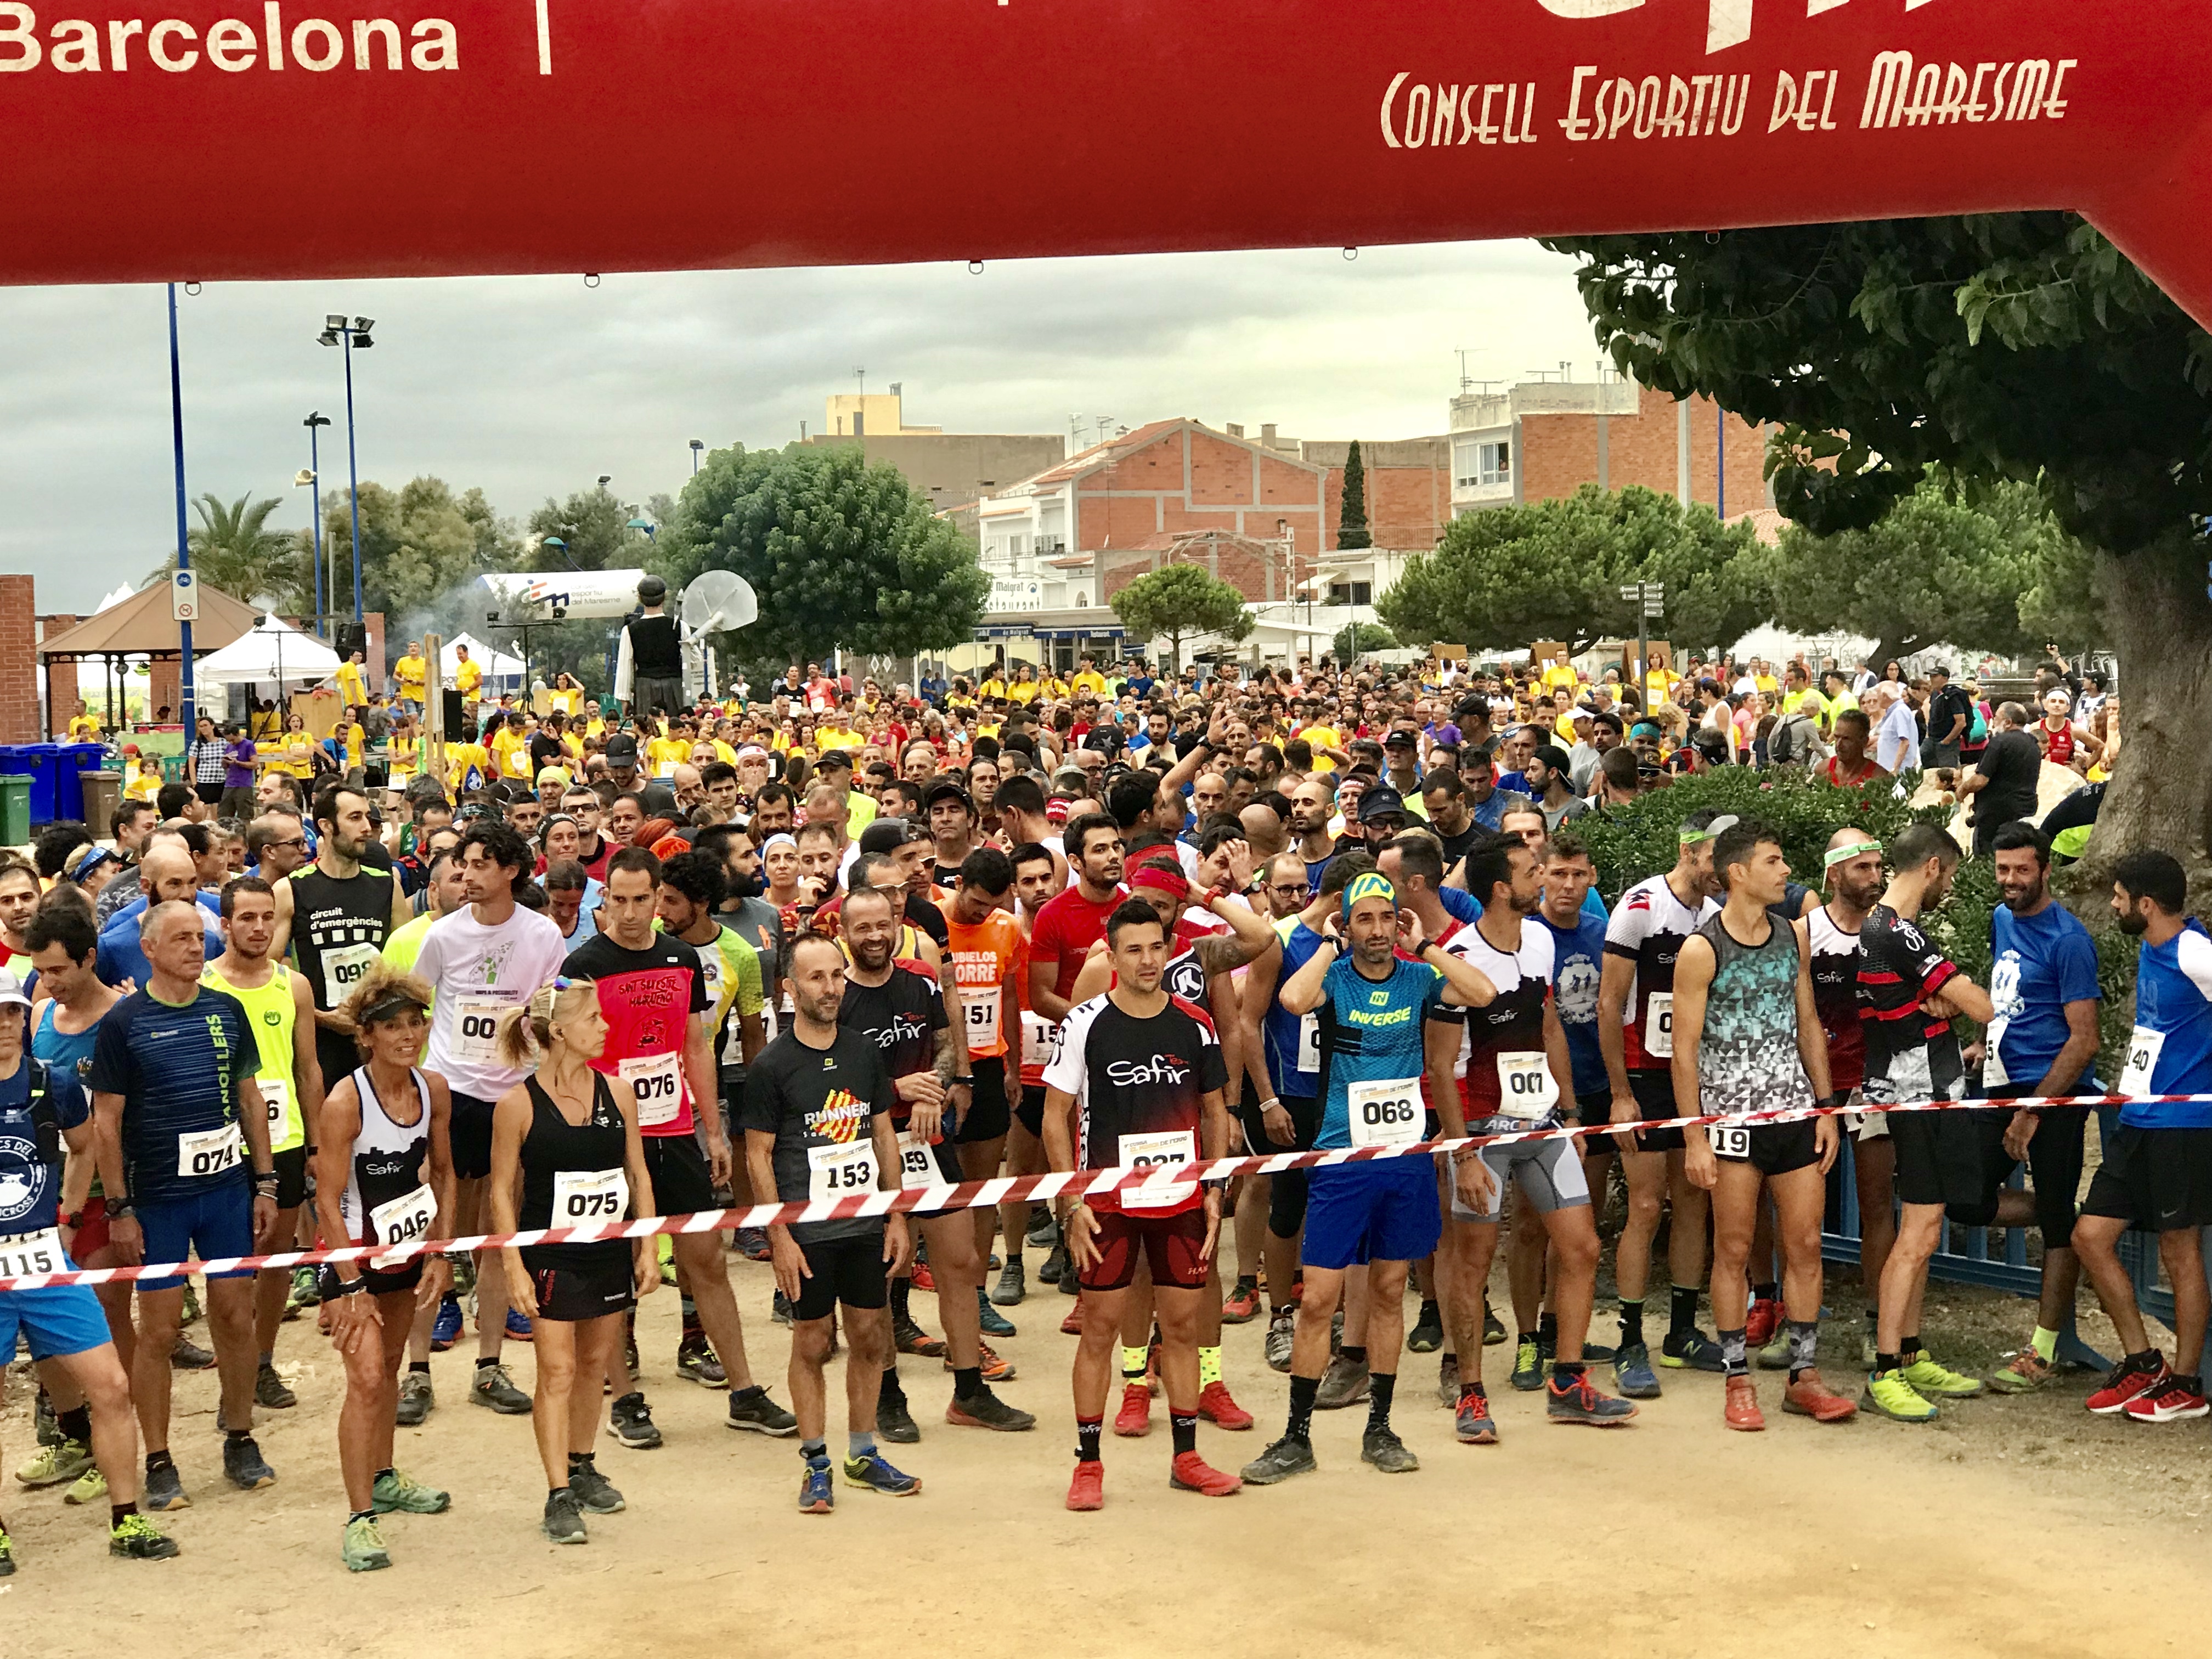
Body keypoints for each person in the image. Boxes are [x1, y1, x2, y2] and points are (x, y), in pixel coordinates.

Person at [1240, 871, 1497, 1485]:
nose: (1378, 930)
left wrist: (1426, 945)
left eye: (1387, 917)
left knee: (1387, 1292)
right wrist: (1329, 943)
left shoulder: (1420, 976)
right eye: (1366, 919)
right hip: (1341, 1157)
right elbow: (1292, 1003)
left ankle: (1380, 1427)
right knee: (1321, 1300)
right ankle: (1296, 1437)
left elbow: (1482, 993)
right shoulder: (1333, 976)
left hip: (1405, 1158)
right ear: (1347, 924)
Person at [562, 848, 795, 1444]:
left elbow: (695, 1046)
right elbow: (567, 1054)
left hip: (675, 1132)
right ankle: (626, 1400)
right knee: (613, 1271)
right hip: (608, 1140)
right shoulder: (582, 964)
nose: (634, 912)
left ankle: (744, 1391)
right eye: (620, 900)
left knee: (707, 1261)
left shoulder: (683, 958)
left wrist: (713, 1129)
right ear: (605, 899)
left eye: (644, 899)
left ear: (658, 894)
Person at [1436, 836, 1634, 1443]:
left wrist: (1570, 1113)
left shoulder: (1543, 939)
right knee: (1472, 1264)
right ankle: (1471, 1391)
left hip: (1540, 1121)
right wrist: (1463, 1152)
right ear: (1502, 887)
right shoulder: (1459, 955)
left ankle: (1568, 1381)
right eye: (1531, 871)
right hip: (1479, 1129)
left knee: (1581, 1248)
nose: (1543, 878)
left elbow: (1548, 1024)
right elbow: (1441, 1065)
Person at [1044, 899, 1241, 1508]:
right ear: (1112, 954)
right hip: (1108, 1204)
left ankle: (1186, 1458)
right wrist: (1071, 1204)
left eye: (1157, 947)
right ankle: (1088, 1464)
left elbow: (1214, 1110)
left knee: (1182, 1326)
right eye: (1134, 949)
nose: (1148, 960)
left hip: (1180, 1198)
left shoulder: (1194, 1023)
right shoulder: (1084, 1023)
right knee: (1100, 1330)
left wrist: (1214, 1190)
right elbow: (1055, 1119)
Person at [89, 900, 282, 1509]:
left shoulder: (226, 1010)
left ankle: (240, 1434)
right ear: (149, 949)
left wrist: (267, 1182)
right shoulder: (124, 1023)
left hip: (225, 1192)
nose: (196, 948)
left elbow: (250, 1100)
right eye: (181, 939)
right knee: (163, 1332)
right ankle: (159, 1457)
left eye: (199, 937)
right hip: (159, 1201)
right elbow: (105, 1123)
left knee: (234, 1315)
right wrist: (119, 1208)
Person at [1670, 820, 1854, 1430]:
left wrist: (1825, 1107)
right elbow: (1684, 1051)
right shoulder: (1702, 949)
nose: (1785, 872)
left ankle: (1803, 1376)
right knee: (1735, 1247)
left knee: (1804, 1245)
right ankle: (1736, 1379)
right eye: (1773, 862)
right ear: (1738, 873)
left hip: (1794, 1111)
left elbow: (1808, 1023)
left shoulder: (1789, 935)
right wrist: (1695, 1135)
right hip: (1731, 1120)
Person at [0, 969, 179, 1570]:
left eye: (11, 1014)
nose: (4, 1026)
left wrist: (68, 1216)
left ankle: (127, 1521)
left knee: (112, 1386)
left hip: (44, 1259)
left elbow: (84, 1146)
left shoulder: (46, 1082)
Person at [836, 886, 1028, 1434]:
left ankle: (969, 1391)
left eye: (883, 924)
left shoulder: (918, 979)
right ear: (845, 933)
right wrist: (897, 1090)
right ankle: (887, 1396)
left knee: (961, 1261)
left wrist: (934, 1089)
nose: (875, 936)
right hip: (863, 1145)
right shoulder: (835, 995)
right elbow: (827, 1077)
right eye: (863, 928)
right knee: (882, 1269)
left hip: (925, 1139)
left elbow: (946, 1044)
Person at [742, 931, 921, 1512]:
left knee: (871, 1334)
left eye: (837, 976)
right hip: (807, 1231)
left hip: (864, 1223)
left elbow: (883, 1132)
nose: (830, 988)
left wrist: (896, 1213)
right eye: (816, 978)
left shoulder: (864, 1050)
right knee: (813, 1340)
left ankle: (863, 1454)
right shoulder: (772, 1066)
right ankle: (816, 1463)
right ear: (791, 988)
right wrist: (779, 1236)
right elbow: (758, 1156)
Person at [489, 979, 659, 1543]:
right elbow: (501, 1191)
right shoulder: (517, 1104)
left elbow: (638, 1170)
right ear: (559, 1031)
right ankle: (557, 1493)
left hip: (609, 1251)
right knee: (557, 1371)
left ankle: (583, 1465)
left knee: (595, 1363)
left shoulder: (619, 1092)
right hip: (552, 1256)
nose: (606, 1027)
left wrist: (649, 1245)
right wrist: (513, 1265)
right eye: (594, 1019)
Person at [412, 820, 569, 1413]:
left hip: (513, 1098)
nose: (465, 875)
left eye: (479, 864)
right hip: (451, 1094)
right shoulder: (442, 936)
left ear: (510, 871)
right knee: (438, 1229)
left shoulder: (543, 936)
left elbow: (551, 1016)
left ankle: (489, 1367)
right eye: (461, 864)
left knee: (500, 1232)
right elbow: (418, 1011)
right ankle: (418, 1370)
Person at [312, 964, 456, 1571]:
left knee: (392, 1368)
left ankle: (385, 1476)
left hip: (407, 1251)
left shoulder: (434, 1090)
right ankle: (358, 1517)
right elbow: (326, 1199)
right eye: (392, 1026)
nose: (407, 1035)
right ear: (366, 1035)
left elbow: (446, 1174)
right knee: (366, 1379)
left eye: (414, 1023)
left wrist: (442, 1253)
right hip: (354, 1259)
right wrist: (349, 1284)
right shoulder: (347, 1101)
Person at [1857, 822, 1996, 1421]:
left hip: (1926, 1087)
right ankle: (1887, 1367)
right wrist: (1948, 998)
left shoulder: (1882, 929)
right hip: (1919, 1095)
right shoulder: (1898, 932)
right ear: (1935, 866)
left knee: (1926, 1231)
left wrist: (1934, 1000)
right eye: (1954, 874)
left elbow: (1950, 1002)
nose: (1951, 886)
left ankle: (1908, 1354)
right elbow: (1984, 1006)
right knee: (1915, 1236)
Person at [2067, 850, 2212, 1422]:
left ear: (2146, 905)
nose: (2114, 903)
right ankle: (2142, 1361)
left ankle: (2186, 1382)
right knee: (2090, 1236)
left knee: (2180, 1252)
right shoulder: (2153, 949)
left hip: (2183, 1126)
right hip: (2137, 1121)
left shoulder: (2196, 952)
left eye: (2121, 896)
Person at [1966, 822, 2102, 1394]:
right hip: (1999, 1083)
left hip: (2054, 1093)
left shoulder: (2069, 940)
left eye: (2023, 870)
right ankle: (2062, 1218)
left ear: (2046, 869)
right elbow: (2004, 992)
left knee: (2053, 1219)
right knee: (1961, 1194)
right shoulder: (2002, 920)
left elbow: (2084, 1038)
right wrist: (1982, 1037)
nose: (2011, 881)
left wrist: (2035, 1110)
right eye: (2002, 870)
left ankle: (2044, 1350)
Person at [1597, 809, 1726, 1396]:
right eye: (1716, 857)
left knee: (1694, 1203)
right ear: (1690, 850)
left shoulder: (1719, 915)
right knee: (1646, 1206)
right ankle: (1629, 1340)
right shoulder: (1642, 905)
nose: (1723, 868)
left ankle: (1681, 1331)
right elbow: (1608, 1001)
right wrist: (1620, 1093)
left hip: (1692, 1076)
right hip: (1645, 1078)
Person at [201, 877, 325, 1415]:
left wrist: (318, 1145)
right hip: (224, 1144)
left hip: (287, 1139)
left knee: (275, 1261)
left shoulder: (293, 985)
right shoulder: (203, 986)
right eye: (246, 918)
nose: (258, 928)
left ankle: (264, 1359)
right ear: (225, 924)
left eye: (266, 918)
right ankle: (234, 1360)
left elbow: (309, 1069)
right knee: (230, 1264)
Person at [1809, 829, 1893, 1368]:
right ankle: (1790, 1320)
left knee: (1877, 1204)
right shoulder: (1803, 933)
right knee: (1799, 1209)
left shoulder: (1895, 931)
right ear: (1835, 874)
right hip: (1814, 1082)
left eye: (1878, 866)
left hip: (1873, 1082)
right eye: (1862, 868)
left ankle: (1876, 1322)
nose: (1875, 877)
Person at [1958, 703, 2044, 860]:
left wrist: (1963, 790)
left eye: (1997, 718)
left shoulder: (1999, 743)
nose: (1994, 722)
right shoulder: (2033, 745)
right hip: (2025, 809)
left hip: (1996, 814)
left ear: (2008, 722)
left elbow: (1980, 780)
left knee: (1987, 858)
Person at [616, 576, 686, 720]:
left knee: (648, 729)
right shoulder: (680, 626)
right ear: (665, 596)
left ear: (640, 598)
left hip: (645, 687)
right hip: (675, 684)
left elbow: (625, 666)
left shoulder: (630, 630)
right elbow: (693, 660)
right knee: (676, 729)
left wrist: (625, 700)